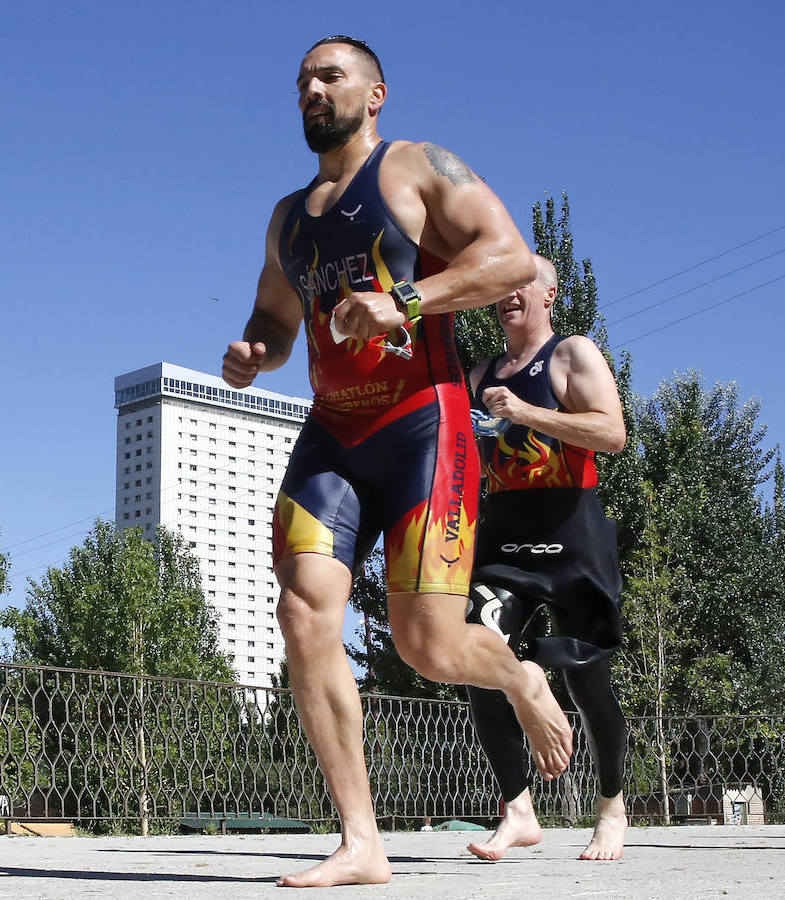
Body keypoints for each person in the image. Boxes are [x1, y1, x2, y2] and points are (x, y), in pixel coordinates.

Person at [221, 37, 573, 887]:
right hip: (333, 434)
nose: (312, 88)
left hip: (425, 424)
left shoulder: (417, 168)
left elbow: (511, 259)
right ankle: (360, 840)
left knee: (429, 647)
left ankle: (522, 679)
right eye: (303, 79)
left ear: (374, 94)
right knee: (304, 613)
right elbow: (274, 318)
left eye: (329, 75)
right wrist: (254, 352)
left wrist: (403, 299)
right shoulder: (287, 218)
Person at [464, 255, 629, 862]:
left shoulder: (571, 354)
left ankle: (611, 807)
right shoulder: (478, 372)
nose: (509, 293)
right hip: (505, 536)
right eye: (501, 284)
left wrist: (526, 412)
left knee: (587, 680)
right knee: (475, 654)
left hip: (573, 532)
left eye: (522, 282)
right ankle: (518, 810)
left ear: (549, 293)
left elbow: (612, 434)